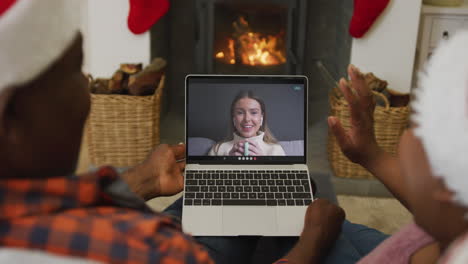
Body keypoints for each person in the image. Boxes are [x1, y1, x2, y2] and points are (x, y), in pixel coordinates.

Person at [0, 1, 347, 263]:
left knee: (201, 208)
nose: (88, 94)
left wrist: (145, 180)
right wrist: (311, 243)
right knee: (329, 233)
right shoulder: (153, 247)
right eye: (77, 70)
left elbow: (56, 202)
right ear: (11, 115)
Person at [327, 31, 468, 263]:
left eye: (416, 123)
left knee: (305, 231)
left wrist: (308, 245)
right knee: (337, 225)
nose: (408, 134)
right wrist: (372, 155)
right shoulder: (452, 219)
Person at [208, 90, 286, 156]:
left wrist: (263, 163)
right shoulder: (218, 149)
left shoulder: (276, 150)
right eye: (240, 113)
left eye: (254, 112)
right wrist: (228, 162)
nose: (247, 119)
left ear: (261, 117)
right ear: (233, 118)